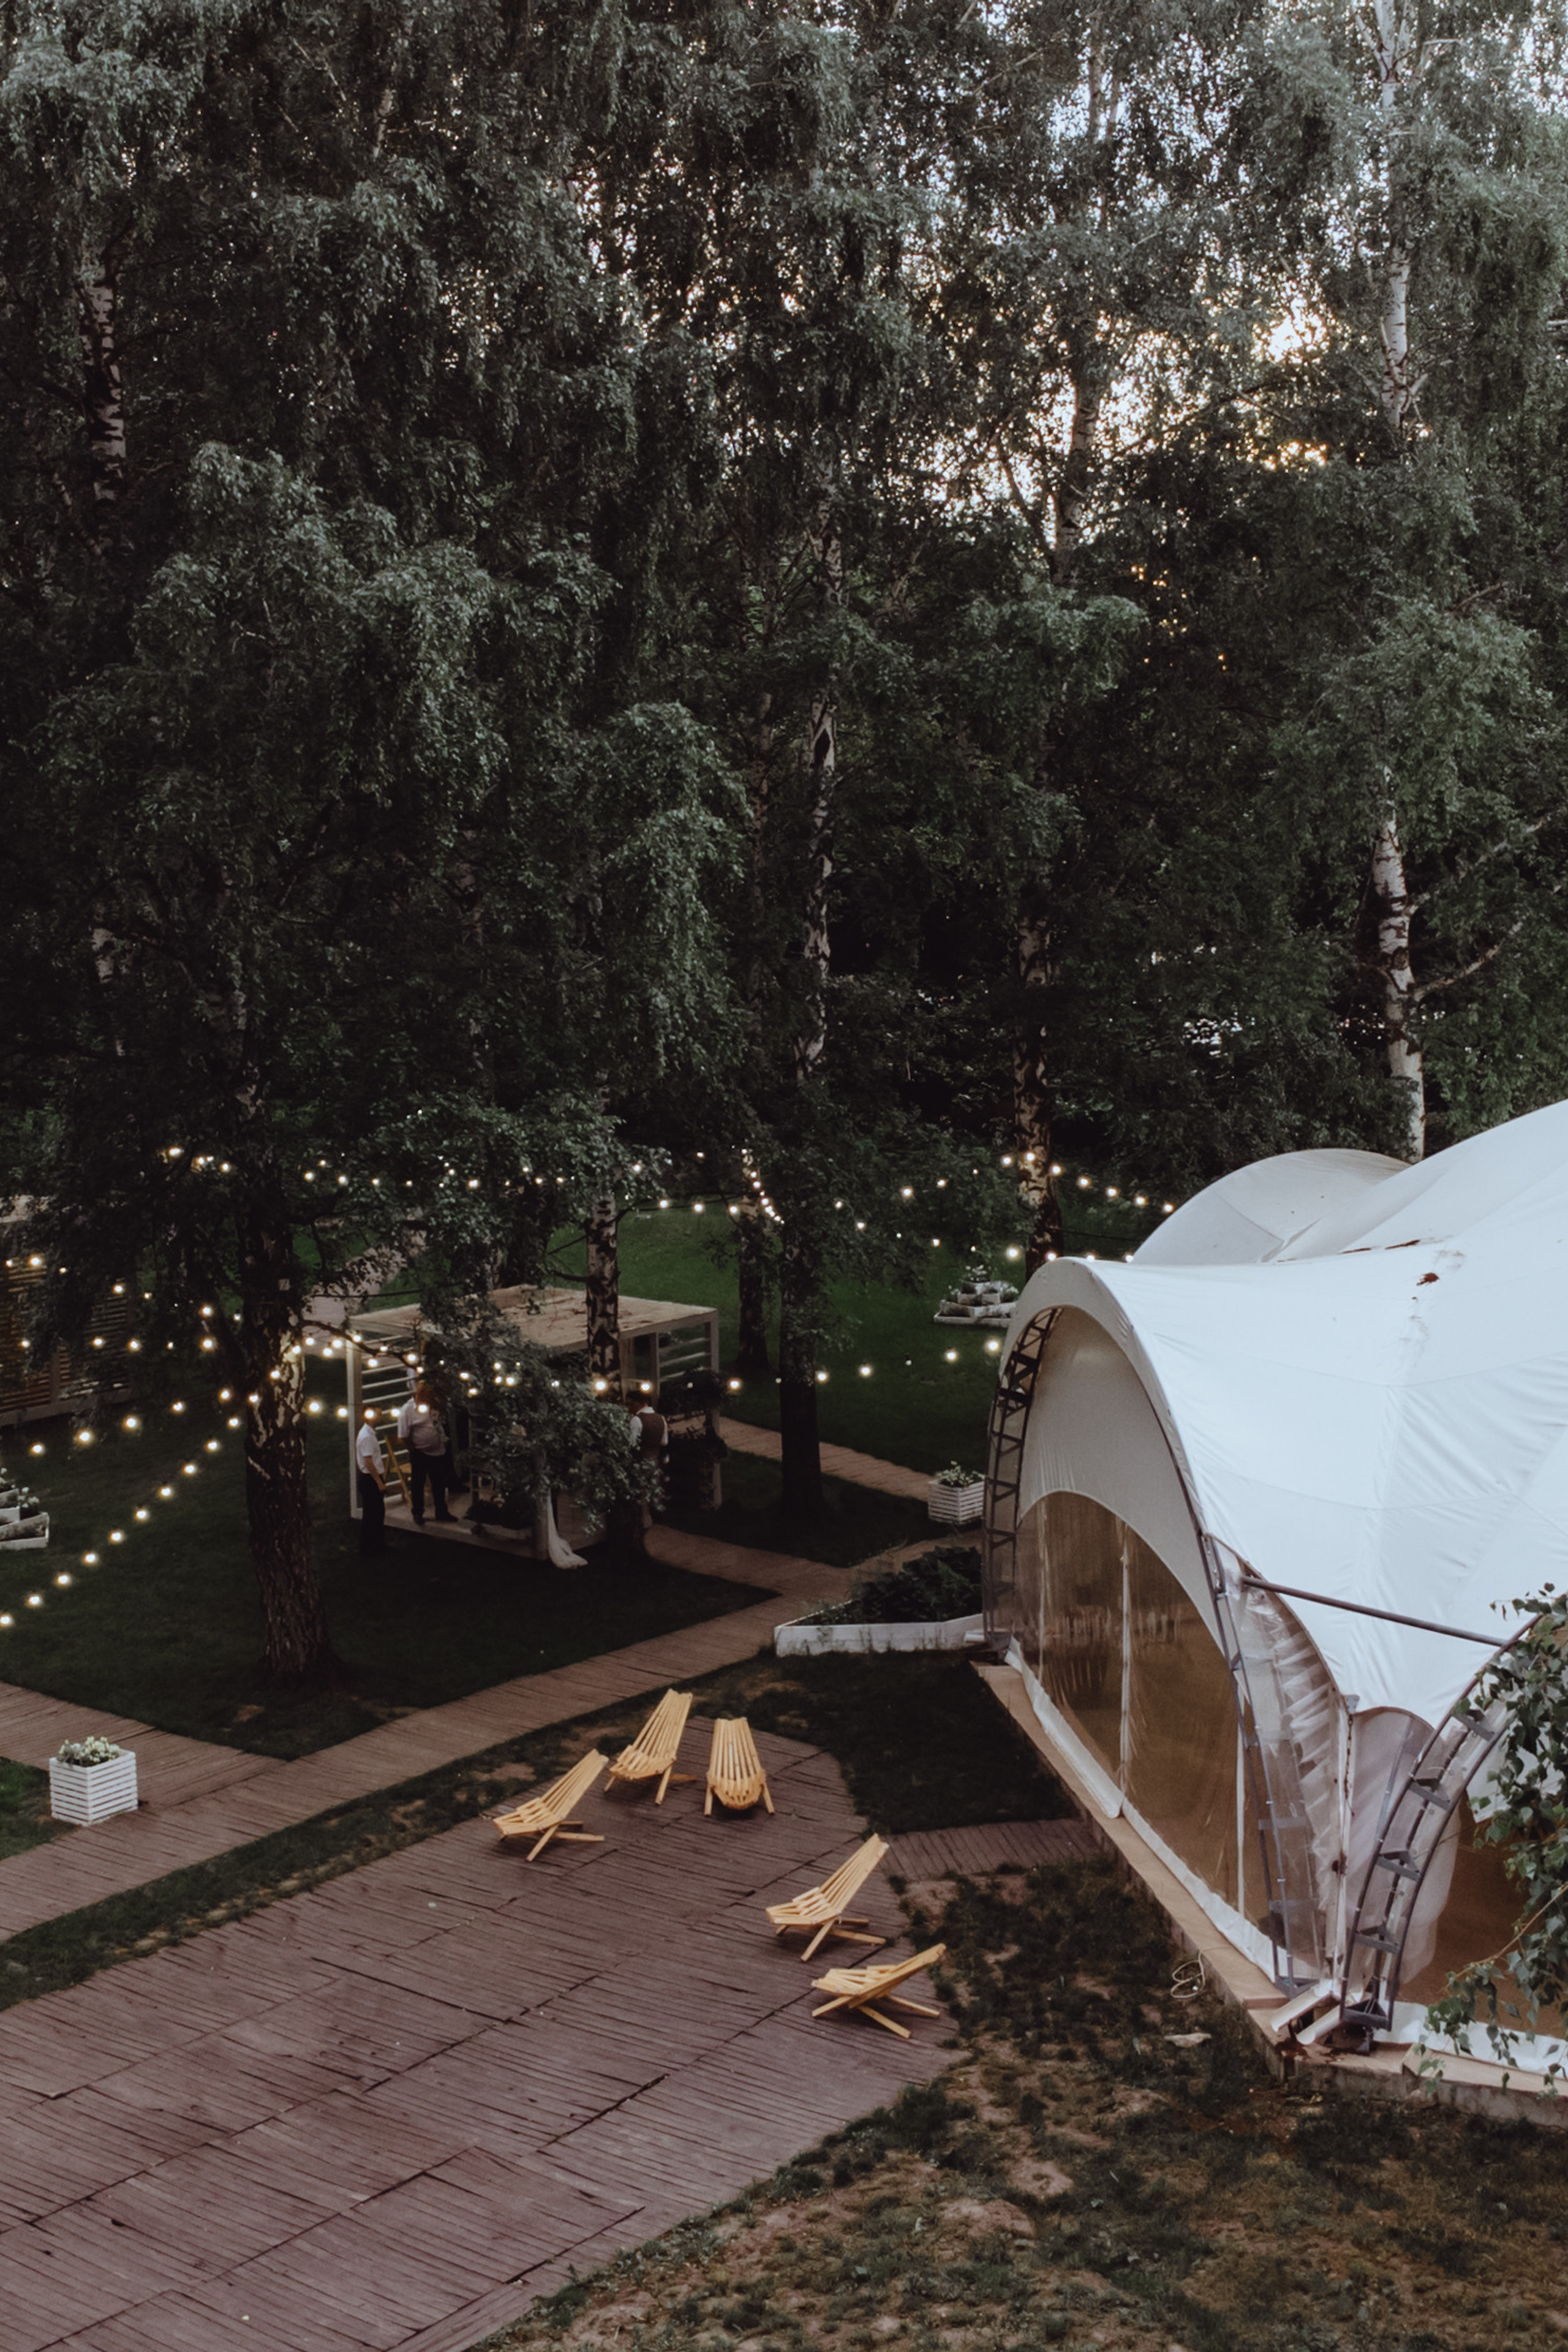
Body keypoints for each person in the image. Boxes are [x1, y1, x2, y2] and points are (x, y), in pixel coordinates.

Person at [398, 1379, 454, 1524]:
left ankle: (441, 1511)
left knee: (439, 1483)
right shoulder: (407, 1410)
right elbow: (403, 1435)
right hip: (420, 1453)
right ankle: (418, 1513)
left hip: (438, 1451)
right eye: (428, 1396)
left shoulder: (435, 1405)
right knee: (418, 1484)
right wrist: (414, 1451)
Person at [355, 1409, 388, 1554]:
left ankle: (374, 1544)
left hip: (371, 1478)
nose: (380, 1417)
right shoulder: (367, 1436)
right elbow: (368, 1461)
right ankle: (372, 1546)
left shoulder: (368, 1434)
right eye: (377, 1414)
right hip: (370, 1479)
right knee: (373, 1513)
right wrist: (379, 1482)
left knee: (374, 1513)